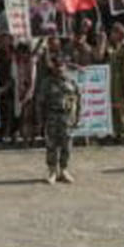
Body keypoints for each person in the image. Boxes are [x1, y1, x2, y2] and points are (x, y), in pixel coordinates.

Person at [38, 54, 78, 184]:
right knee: (52, 145)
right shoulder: (47, 82)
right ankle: (52, 171)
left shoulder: (71, 82)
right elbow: (40, 103)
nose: (59, 69)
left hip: (67, 117)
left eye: (61, 67)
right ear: (53, 68)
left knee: (67, 145)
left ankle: (64, 170)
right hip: (52, 117)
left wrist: (77, 117)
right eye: (57, 67)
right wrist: (40, 120)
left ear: (65, 67)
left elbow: (77, 100)